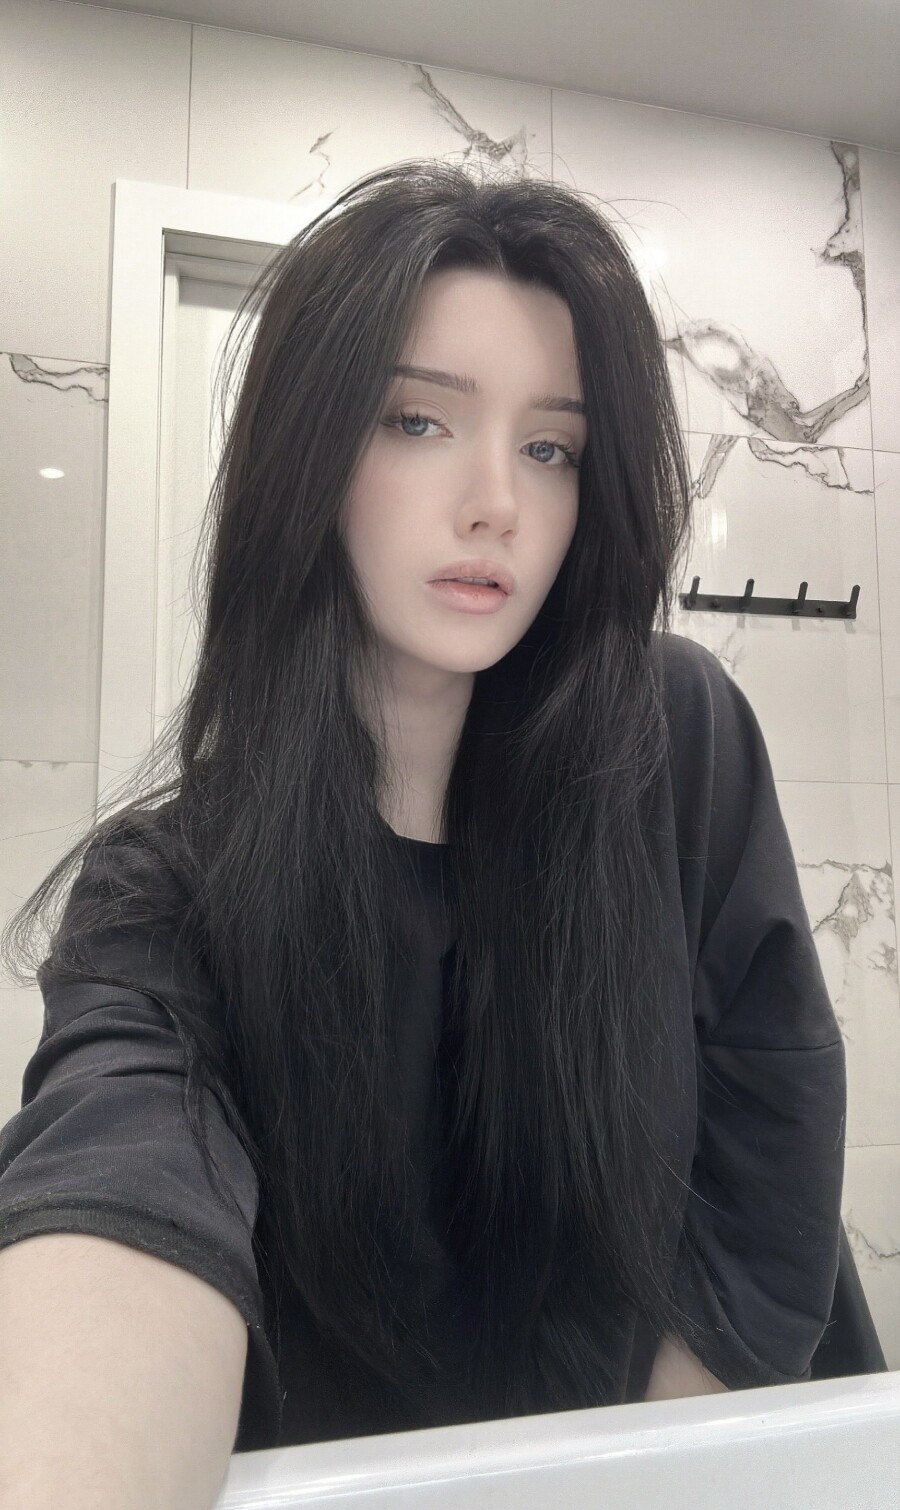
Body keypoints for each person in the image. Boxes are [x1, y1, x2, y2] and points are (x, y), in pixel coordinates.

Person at [0, 159, 867, 1506]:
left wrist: (638, 1481)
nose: (497, 502)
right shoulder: (168, 889)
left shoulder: (671, 738)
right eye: (418, 421)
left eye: (551, 448)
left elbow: (775, 1118)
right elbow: (120, 1190)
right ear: (309, 454)